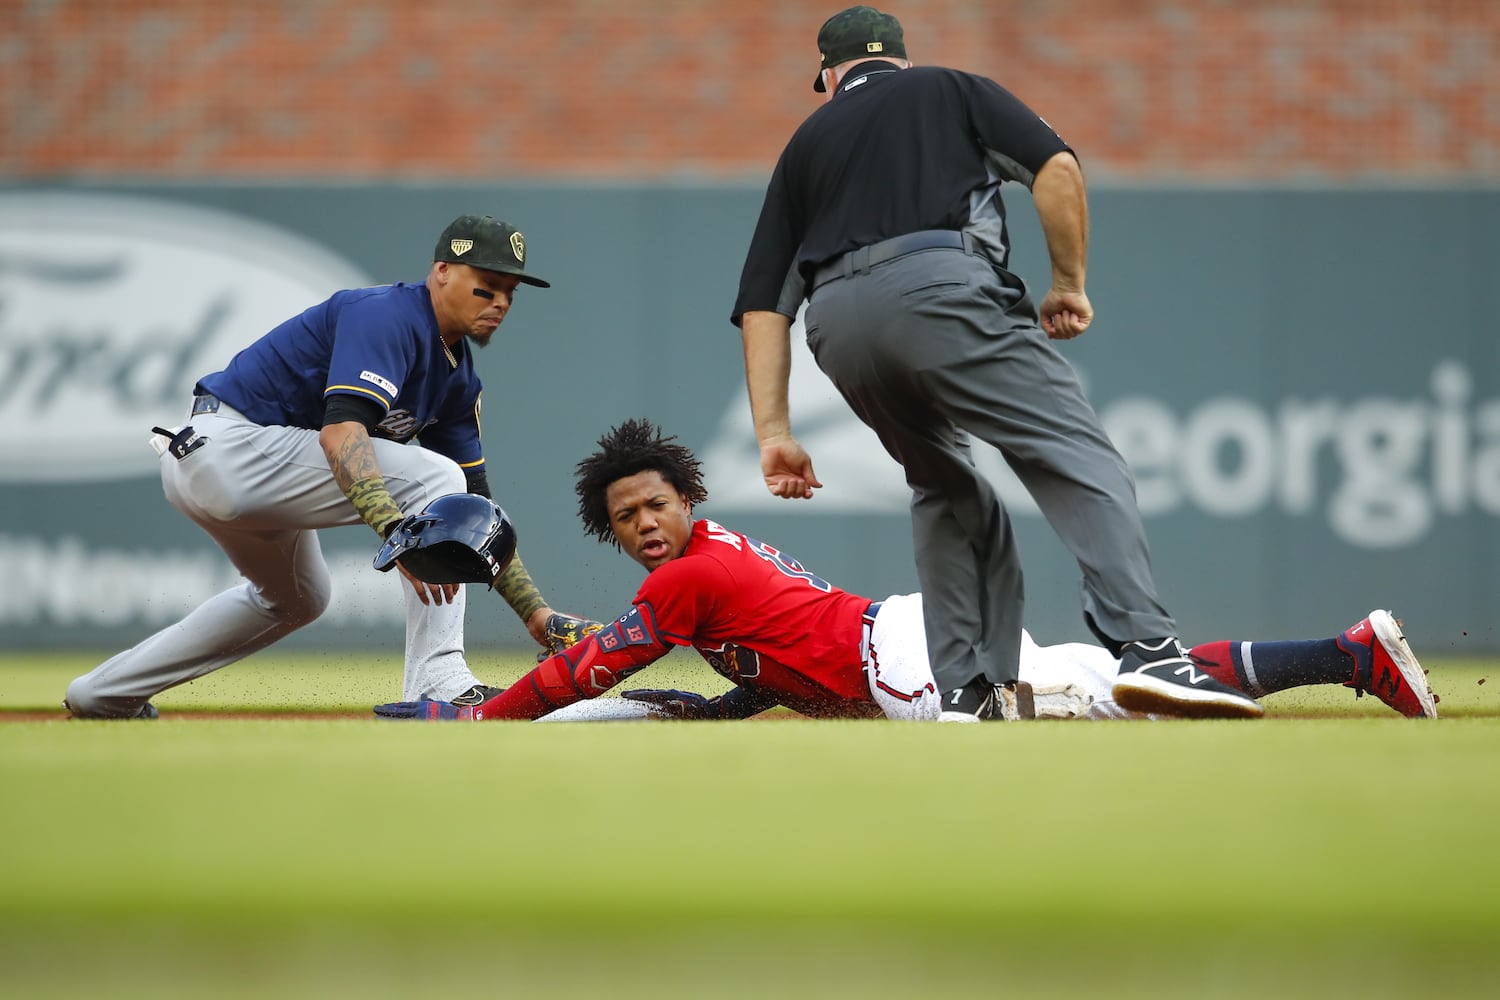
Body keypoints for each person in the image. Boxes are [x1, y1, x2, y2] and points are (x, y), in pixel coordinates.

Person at [728, 5, 1255, 721]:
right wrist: (1067, 284)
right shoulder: (950, 88)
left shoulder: (806, 142)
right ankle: (1151, 651)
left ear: (827, 75)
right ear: (902, 61)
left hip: (838, 329)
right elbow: (1057, 167)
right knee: (1073, 451)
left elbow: (762, 303)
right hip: (937, 288)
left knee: (945, 487)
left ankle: (968, 690)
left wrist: (773, 433)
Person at [372, 419, 1437, 723]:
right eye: (625, 515)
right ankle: (1345, 658)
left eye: (655, 503)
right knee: (1119, 680)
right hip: (899, 640)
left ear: (684, 504)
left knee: (1120, 695)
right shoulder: (701, 565)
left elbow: (580, 674)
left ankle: (1351, 655)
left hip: (909, 666)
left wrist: (487, 719)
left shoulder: (682, 580)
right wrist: (731, 703)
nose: (644, 521)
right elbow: (768, 656)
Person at [64, 214, 588, 719]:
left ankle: (104, 694)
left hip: (238, 471)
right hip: (228, 446)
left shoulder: (458, 380)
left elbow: (477, 515)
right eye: (487, 284)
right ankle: (438, 679)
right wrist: (399, 532)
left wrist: (536, 614)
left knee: (297, 599)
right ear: (442, 271)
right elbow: (341, 435)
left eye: (509, 293)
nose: (499, 301)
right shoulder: (389, 314)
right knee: (435, 480)